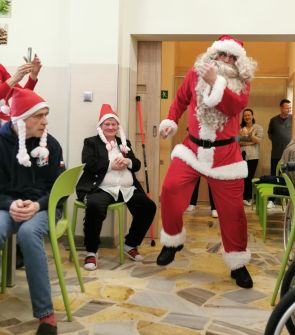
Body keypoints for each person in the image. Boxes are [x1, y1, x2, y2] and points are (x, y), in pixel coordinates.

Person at [156, 35, 257, 289]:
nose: (226, 60)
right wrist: (171, 120)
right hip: (192, 150)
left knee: (233, 213)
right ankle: (173, 240)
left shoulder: (242, 83)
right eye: (222, 55)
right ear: (213, 55)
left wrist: (215, 82)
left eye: (232, 57)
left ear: (239, 62)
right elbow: (180, 99)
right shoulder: (194, 74)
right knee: (169, 190)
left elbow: (235, 107)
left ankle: (237, 263)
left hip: (226, 157)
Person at [0, 88, 65, 335]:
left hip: (42, 206)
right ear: (20, 119)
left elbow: (59, 189)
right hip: (7, 207)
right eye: (39, 116)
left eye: (46, 115)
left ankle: (46, 315)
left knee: (28, 234)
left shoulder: (51, 145)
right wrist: (10, 204)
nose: (45, 121)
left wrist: (38, 205)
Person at [76, 104, 156, 271]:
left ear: (118, 127)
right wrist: (111, 165)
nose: (111, 127)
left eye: (114, 124)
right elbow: (89, 164)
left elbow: (137, 165)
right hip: (102, 189)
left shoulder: (123, 143)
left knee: (148, 207)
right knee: (95, 206)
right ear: (101, 126)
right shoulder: (91, 142)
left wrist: (127, 161)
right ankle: (91, 251)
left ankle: (130, 244)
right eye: (107, 124)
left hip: (126, 189)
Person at [0, 55, 42, 123]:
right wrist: (14, 79)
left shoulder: (0, 68)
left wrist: (33, 75)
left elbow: (22, 95)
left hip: (9, 122)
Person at [267, 99, 292, 208]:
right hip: (276, 153)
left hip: (290, 154)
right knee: (274, 175)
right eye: (287, 108)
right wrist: (277, 142)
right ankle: (272, 200)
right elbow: (270, 134)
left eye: (290, 108)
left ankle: (288, 200)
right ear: (281, 108)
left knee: (289, 176)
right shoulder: (273, 120)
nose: (289, 110)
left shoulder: (293, 119)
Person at [239, 108, 263, 206]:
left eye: (248, 115)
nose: (247, 117)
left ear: (252, 116)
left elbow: (258, 141)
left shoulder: (258, 127)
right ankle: (243, 197)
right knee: (242, 177)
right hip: (241, 156)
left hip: (253, 156)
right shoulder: (240, 128)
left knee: (249, 177)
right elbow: (237, 140)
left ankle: (248, 198)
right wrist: (250, 140)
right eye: (245, 116)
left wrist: (249, 135)